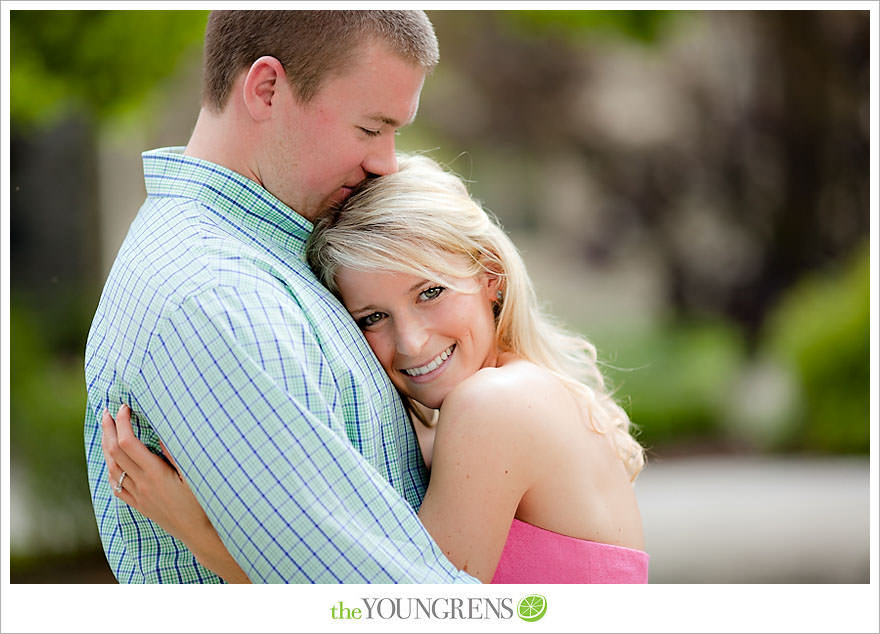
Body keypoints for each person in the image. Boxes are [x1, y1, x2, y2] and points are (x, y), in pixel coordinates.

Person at [102, 153, 649, 583]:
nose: (410, 341)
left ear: (490, 276)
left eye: (430, 291)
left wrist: (194, 527)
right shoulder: (519, 394)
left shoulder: (495, 406)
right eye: (372, 317)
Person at [84, 10, 481, 583]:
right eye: (370, 129)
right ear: (267, 88)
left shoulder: (273, 257)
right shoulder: (216, 297)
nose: (386, 162)